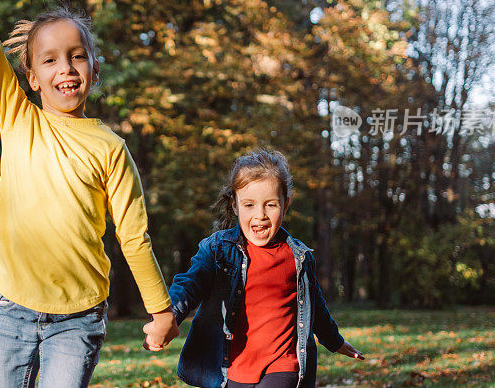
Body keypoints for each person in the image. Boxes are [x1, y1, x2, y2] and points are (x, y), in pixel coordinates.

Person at [0, 0, 178, 387]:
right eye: (51, 59)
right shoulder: (18, 116)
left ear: (93, 70)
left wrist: (160, 308)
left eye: (77, 56)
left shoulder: (110, 148)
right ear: (32, 76)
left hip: (78, 318)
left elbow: (133, 236)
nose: (67, 68)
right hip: (11, 307)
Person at [148, 148, 363, 388]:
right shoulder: (218, 248)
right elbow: (189, 285)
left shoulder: (299, 257)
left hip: (282, 365)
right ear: (235, 204)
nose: (260, 215)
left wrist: (334, 341)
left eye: (270, 205)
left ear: (285, 204)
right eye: (249, 204)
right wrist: (168, 317)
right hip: (231, 367)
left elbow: (316, 307)